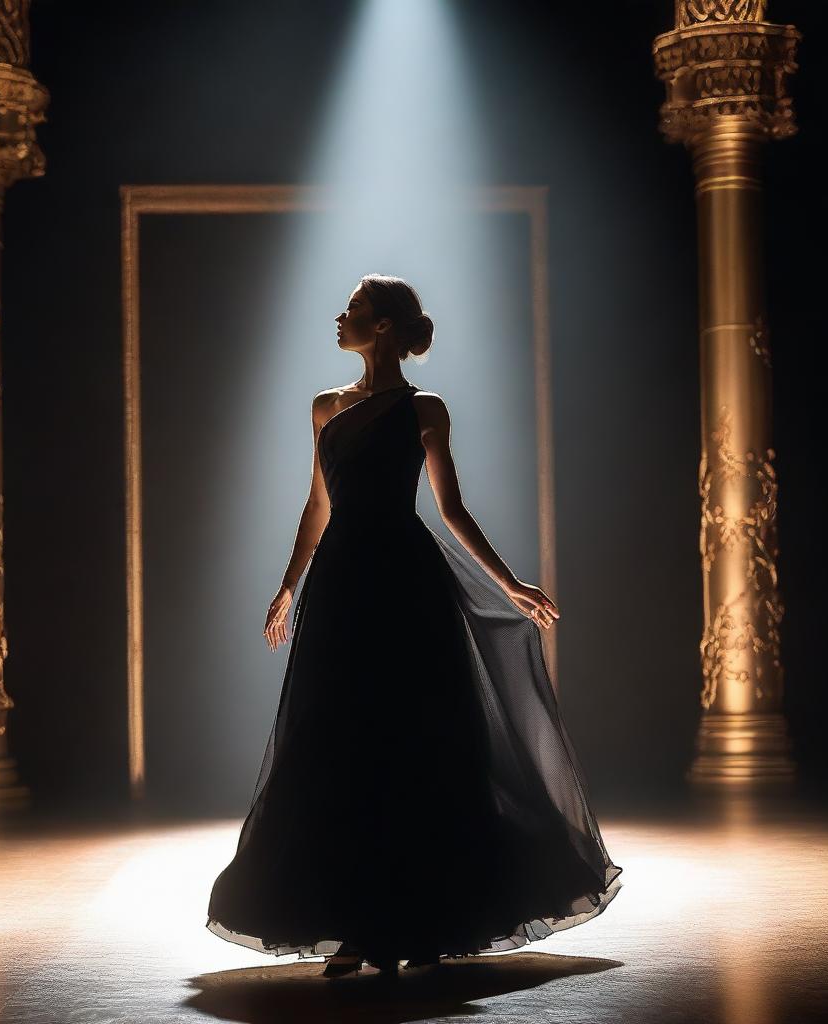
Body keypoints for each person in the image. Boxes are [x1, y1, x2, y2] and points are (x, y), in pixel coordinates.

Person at [206, 273, 622, 978]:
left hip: (403, 583)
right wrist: (286, 587)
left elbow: (452, 511)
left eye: (356, 310)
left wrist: (510, 584)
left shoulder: (425, 409)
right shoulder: (324, 408)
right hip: (340, 586)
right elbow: (317, 508)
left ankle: (408, 919)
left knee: (411, 743)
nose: (340, 318)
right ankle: (347, 923)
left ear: (389, 328)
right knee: (333, 741)